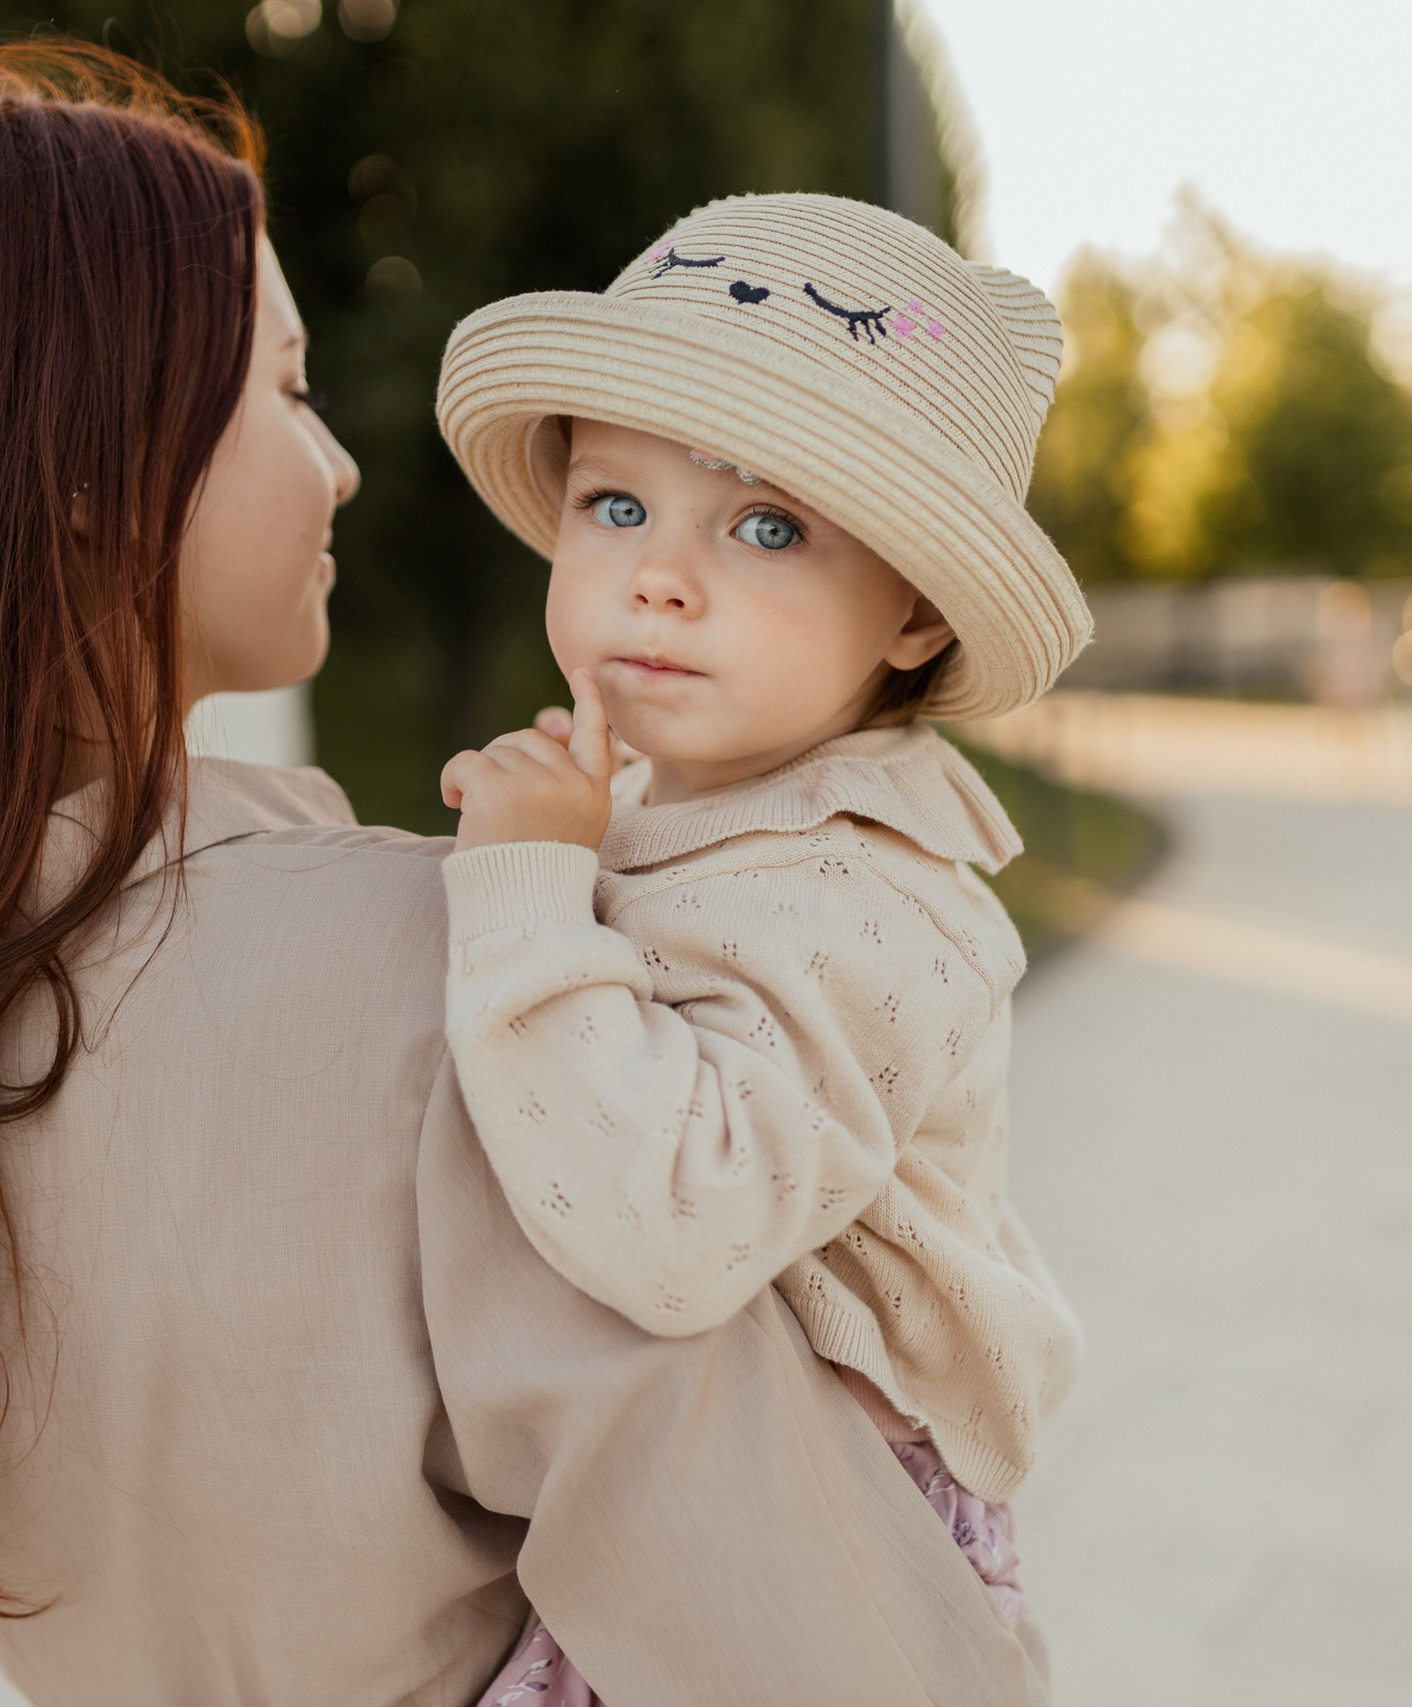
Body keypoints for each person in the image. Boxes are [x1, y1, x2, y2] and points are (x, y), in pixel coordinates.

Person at [0, 49, 1044, 1707]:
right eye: (285, 385)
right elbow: (825, 1645)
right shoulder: (447, 972)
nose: (336, 463)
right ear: (83, 470)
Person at [431, 194, 1095, 1696]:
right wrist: (558, 847)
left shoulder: (874, 901)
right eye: (617, 507)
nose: (660, 576)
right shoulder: (679, 808)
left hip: (810, 1543)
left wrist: (533, 893)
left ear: (918, 611)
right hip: (685, 1467)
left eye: (768, 525)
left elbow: (678, 1226)